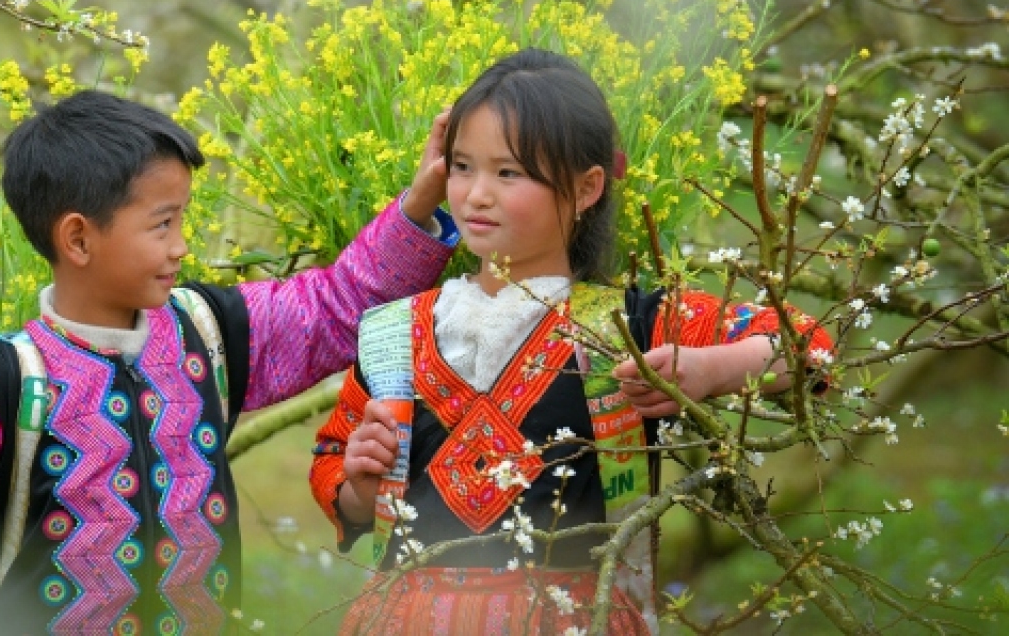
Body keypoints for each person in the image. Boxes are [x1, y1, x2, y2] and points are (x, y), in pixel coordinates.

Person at [0, 89, 463, 633]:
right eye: (162, 224)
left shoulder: (209, 334)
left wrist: (421, 199)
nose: (182, 246)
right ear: (78, 237)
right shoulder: (10, 376)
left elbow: (338, 303)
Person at [309, 49, 834, 635]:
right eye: (461, 166)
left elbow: (804, 345)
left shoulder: (626, 327)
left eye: (508, 173)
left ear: (587, 188)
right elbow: (335, 471)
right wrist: (360, 485)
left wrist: (711, 368)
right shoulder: (392, 333)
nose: (478, 193)